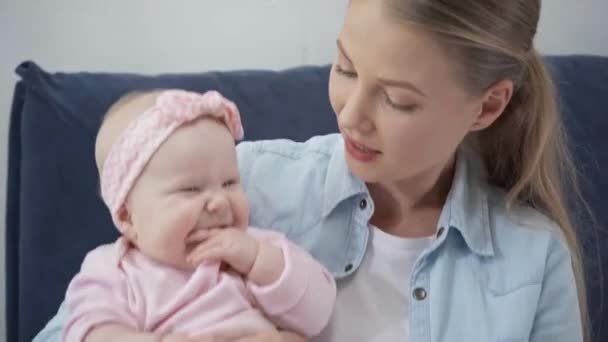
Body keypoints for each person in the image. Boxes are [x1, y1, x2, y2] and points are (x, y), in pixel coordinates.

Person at [35, 0, 587, 341]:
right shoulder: (231, 182)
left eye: (396, 100)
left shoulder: (532, 258)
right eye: (344, 67)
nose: (349, 114)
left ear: (486, 107)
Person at [62, 89, 336, 342]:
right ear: (127, 217)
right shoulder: (114, 271)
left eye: (229, 182)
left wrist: (258, 261)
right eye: (191, 190)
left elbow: (318, 314)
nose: (219, 201)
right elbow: (89, 332)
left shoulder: (254, 250)